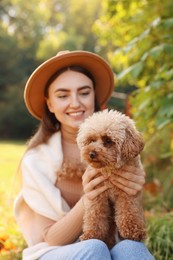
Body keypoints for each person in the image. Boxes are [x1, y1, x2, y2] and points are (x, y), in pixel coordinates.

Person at [14, 50, 154, 260]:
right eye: (62, 95)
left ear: (95, 96)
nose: (75, 103)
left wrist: (134, 189)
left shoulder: (121, 148)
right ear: (50, 104)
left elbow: (126, 222)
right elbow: (51, 239)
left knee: (132, 249)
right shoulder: (36, 160)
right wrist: (89, 196)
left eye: (84, 92)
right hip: (54, 251)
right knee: (94, 248)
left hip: (110, 244)